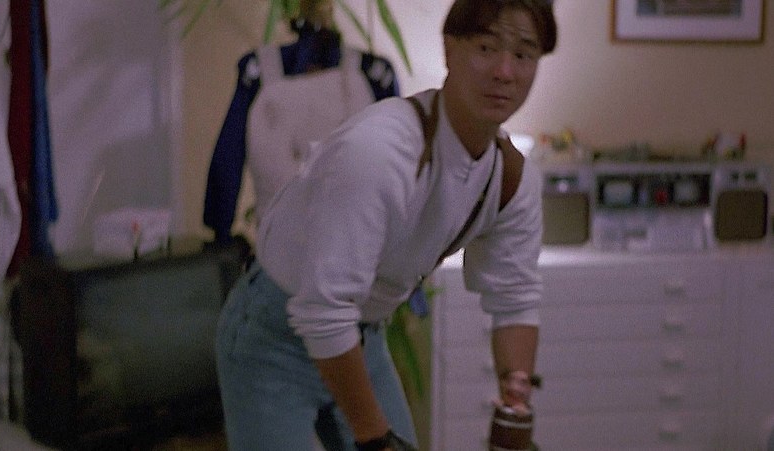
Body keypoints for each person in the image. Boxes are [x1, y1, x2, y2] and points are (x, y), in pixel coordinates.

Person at [214, 0, 558, 449]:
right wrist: (375, 440)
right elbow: (323, 311)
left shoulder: (511, 179)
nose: (505, 72)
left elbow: (514, 296)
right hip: (274, 335)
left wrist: (516, 398)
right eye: (486, 48)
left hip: (361, 335)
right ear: (449, 50)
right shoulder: (381, 150)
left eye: (524, 54)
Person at [201, 0, 398, 246]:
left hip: (341, 247)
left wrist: (220, 229)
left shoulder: (373, 75)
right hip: (303, 248)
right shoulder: (261, 72)